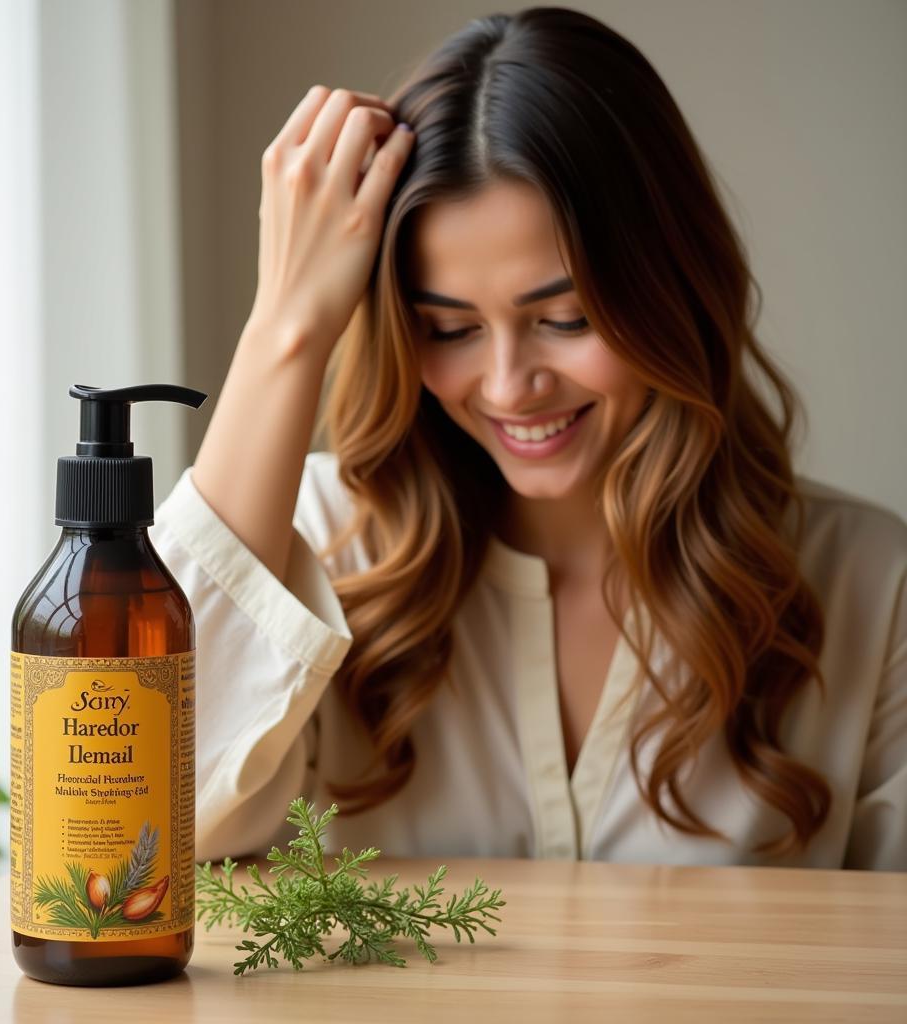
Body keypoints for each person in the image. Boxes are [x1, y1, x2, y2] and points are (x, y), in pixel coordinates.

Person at [149, 7, 907, 870]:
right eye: (450, 329)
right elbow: (138, 824)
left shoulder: (869, 587)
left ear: (674, 292)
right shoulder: (315, 543)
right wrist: (287, 325)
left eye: (566, 317)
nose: (510, 385)